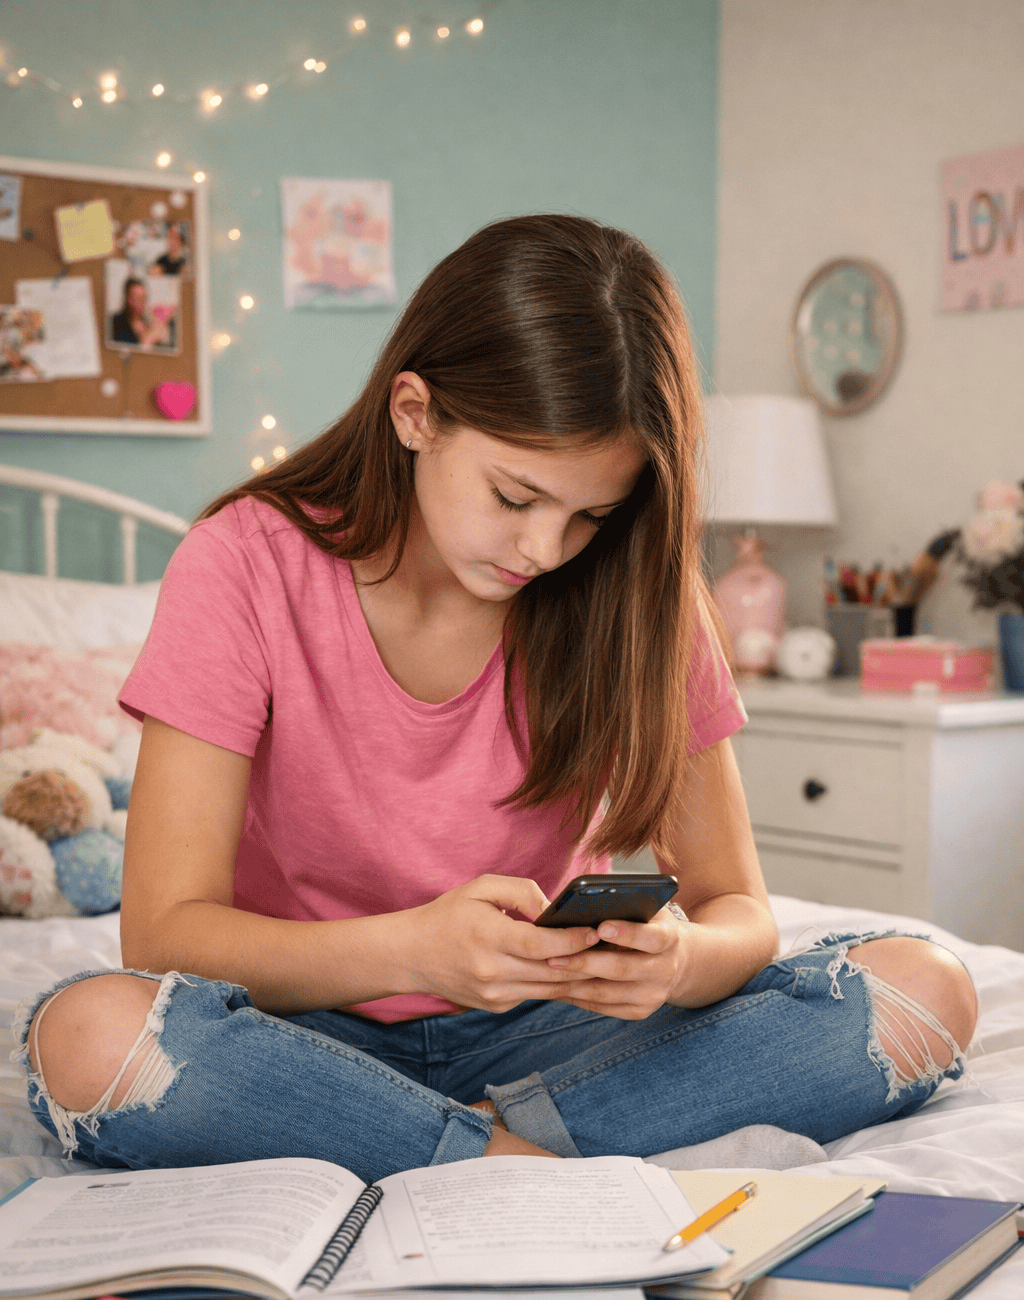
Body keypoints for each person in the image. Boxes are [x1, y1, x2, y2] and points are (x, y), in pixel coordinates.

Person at [16, 215, 977, 1185]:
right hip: (302, 1041)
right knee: (91, 1036)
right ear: (413, 413)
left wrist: (677, 961)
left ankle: (441, 1147)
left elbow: (739, 909)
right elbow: (166, 931)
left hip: (556, 1035)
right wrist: (413, 953)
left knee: (923, 988)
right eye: (515, 497)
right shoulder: (242, 565)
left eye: (589, 515)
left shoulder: (638, 590)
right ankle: (525, 1157)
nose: (545, 550)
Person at [109, 277, 172, 349]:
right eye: (137, 298)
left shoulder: (148, 322)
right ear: (127, 298)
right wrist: (149, 339)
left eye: (143, 297)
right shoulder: (115, 323)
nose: (141, 302)